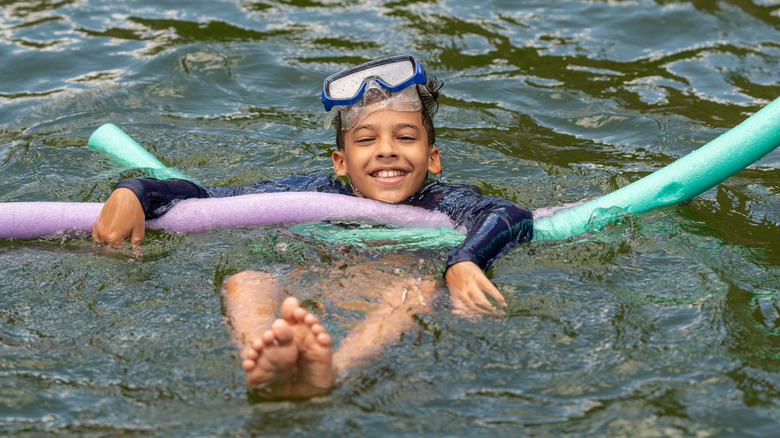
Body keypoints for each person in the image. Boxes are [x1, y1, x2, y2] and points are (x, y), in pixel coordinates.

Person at [92, 54, 533, 399]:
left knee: (416, 288)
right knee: (247, 278)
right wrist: (135, 191)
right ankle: (263, 357)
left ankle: (332, 370)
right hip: (313, 282)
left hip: (386, 288)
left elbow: (508, 215)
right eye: (366, 140)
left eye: (405, 137)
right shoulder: (313, 192)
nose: (386, 151)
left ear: (432, 157)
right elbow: (211, 198)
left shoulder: (446, 200)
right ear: (340, 163)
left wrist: (464, 260)